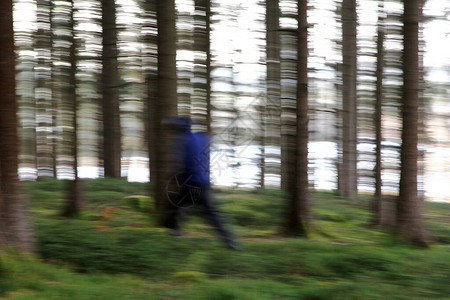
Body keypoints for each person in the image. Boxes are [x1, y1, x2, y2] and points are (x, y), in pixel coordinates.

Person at [163, 116, 239, 250]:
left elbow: (181, 164)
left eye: (173, 127)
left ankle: (171, 234)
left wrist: (172, 177)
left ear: (178, 128)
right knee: (212, 214)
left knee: (174, 206)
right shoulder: (202, 138)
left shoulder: (183, 140)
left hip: (191, 184)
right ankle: (230, 242)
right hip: (204, 183)